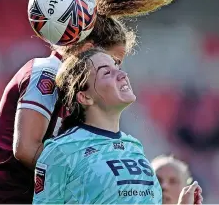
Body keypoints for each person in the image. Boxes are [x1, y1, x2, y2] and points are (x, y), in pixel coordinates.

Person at [0, 0, 195, 203]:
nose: (116, 71)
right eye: (111, 62)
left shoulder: (98, 120)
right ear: (90, 47)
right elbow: (27, 149)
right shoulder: (47, 71)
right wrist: (92, 176)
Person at [33, 49, 203, 204]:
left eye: (117, 67)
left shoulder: (134, 146)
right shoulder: (61, 151)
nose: (122, 74)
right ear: (85, 97)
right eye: (107, 72)